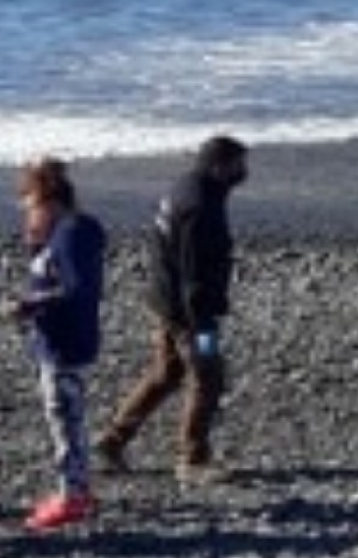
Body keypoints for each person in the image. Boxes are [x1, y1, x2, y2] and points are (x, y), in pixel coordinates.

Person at [98, 136, 250, 484]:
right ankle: (192, 458)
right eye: (239, 165)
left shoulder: (184, 188)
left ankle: (113, 440)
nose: (244, 172)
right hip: (191, 313)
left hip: (164, 301)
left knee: (166, 373)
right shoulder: (201, 207)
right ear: (220, 166)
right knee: (208, 377)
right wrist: (201, 323)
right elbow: (193, 269)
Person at [4, 159, 108, 531]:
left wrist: (30, 304)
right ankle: (77, 487)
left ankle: (72, 495)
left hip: (65, 342)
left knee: (64, 417)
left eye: (31, 205)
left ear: (48, 199)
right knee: (70, 416)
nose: (29, 214)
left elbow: (78, 289)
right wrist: (36, 246)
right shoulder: (66, 233)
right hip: (64, 339)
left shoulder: (70, 234)